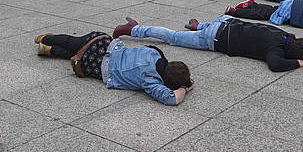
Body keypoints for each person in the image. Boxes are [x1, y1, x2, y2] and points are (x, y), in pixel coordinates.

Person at [111, 16, 303, 72]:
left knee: (199, 30)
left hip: (223, 22)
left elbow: (297, 42)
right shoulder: (276, 50)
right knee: (173, 37)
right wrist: (299, 62)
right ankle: (132, 29)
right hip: (214, 39)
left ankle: (197, 25)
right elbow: (275, 64)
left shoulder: (284, 36)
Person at [34, 31, 193, 105]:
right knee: (79, 58)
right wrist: (184, 89)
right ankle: (49, 51)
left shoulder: (155, 53)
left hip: (104, 44)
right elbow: (171, 98)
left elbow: (146, 47)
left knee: (73, 42)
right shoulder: (150, 80)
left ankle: (46, 39)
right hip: (99, 66)